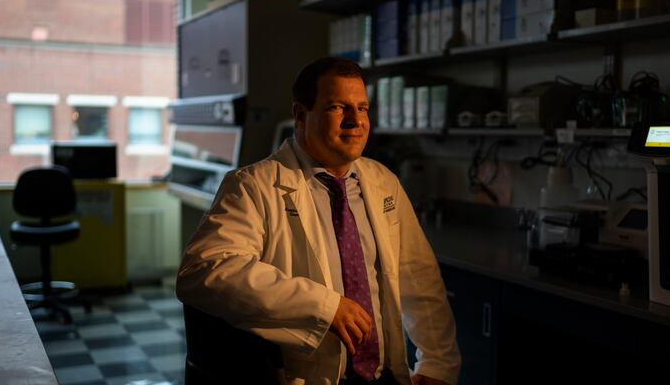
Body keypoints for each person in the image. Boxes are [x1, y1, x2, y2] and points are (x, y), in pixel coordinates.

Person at [177, 57, 461, 385]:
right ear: (301, 114)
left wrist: (437, 362)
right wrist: (325, 307)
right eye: (338, 108)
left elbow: (419, 275)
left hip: (385, 376)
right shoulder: (252, 186)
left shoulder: (383, 181)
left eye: (363, 108)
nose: (356, 121)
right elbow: (204, 270)